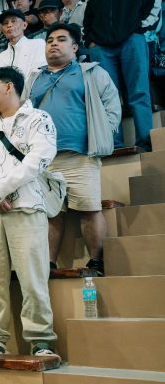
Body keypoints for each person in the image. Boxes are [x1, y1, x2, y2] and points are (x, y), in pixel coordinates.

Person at [0, 67, 58, 356]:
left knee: (32, 278)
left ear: (8, 87)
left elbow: (38, 160)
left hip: (28, 207)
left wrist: (1, 188)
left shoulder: (38, 119)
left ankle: (41, 340)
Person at [24, 22, 121, 275]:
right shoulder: (34, 78)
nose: (53, 44)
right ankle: (48, 264)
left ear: (75, 47)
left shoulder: (91, 72)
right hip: (44, 159)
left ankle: (97, 261)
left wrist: (103, 134)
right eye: (49, 40)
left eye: (61, 39)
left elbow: (112, 106)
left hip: (80, 155)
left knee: (89, 209)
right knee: (51, 214)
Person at [84, 0, 161, 151]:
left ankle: (145, 142)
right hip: (101, 48)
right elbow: (87, 22)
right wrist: (90, 42)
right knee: (107, 96)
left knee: (139, 91)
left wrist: (139, 28)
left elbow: (154, 3)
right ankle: (113, 145)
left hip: (132, 40)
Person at [0, 9, 46, 78]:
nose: (9, 25)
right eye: (5, 23)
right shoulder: (0, 58)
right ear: (3, 30)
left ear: (24, 25)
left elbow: (41, 73)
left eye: (13, 21)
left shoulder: (38, 44)